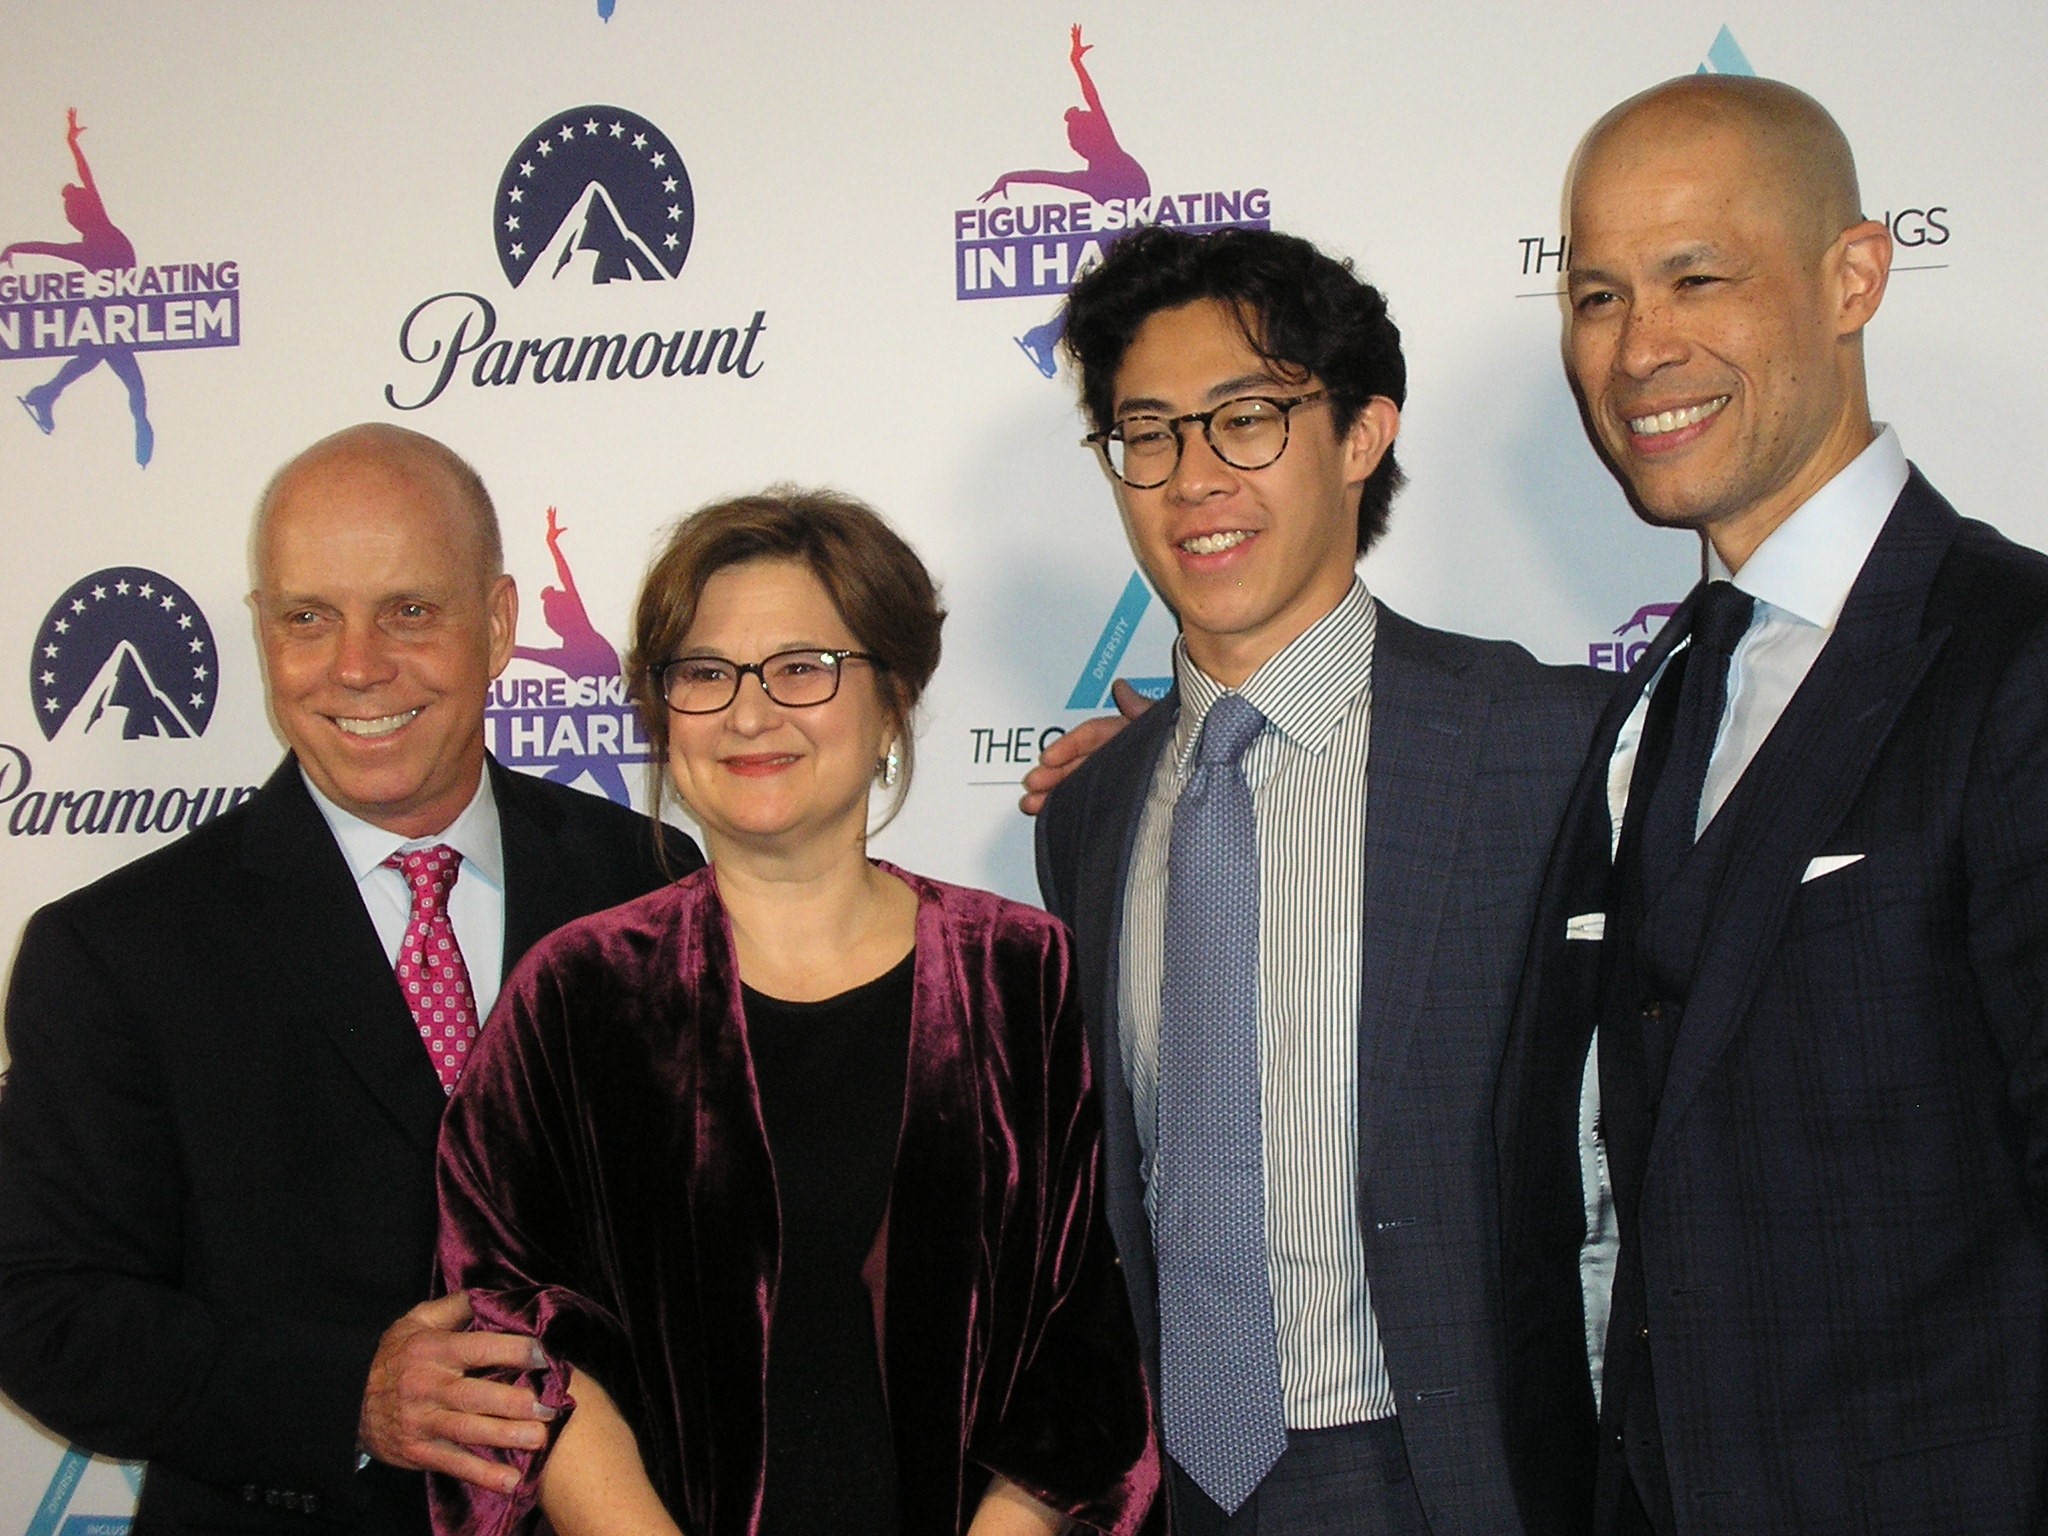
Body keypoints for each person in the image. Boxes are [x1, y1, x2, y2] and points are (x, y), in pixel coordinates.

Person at [1493, 76, 2048, 1535]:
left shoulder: (2017, 658)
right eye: (1599, 295)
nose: (1638, 349)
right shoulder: (1660, 700)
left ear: (1854, 275)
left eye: (1698, 278)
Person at [0, 423, 701, 1534]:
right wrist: (347, 1398)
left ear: (502, 624)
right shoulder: (116, 952)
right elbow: (42, 1312)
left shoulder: (646, 884)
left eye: (410, 611)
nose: (357, 665)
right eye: (306, 617)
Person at [432, 488, 1159, 1536]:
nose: (748, 710)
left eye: (802, 668)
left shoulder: (1029, 981)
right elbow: (517, 1326)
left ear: (891, 701)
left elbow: (1101, 1319)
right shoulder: (576, 996)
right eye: (704, 673)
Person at [1033, 225, 1609, 1535]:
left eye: (1247, 420)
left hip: (1451, 1475)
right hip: (1172, 1483)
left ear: (1360, 437)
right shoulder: (1094, 814)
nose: (1192, 480)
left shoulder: (1542, 744)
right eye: (1150, 433)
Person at [2, 107, 156, 466]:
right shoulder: (87, 244)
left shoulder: (98, 226)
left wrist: (73, 143)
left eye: (73, 210)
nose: (70, 216)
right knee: (124, 382)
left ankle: (45, 395)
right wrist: (12, 248)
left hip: (114, 321)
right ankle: (46, 396)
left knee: (105, 372)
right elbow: (47, 248)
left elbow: (85, 177)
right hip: (108, 323)